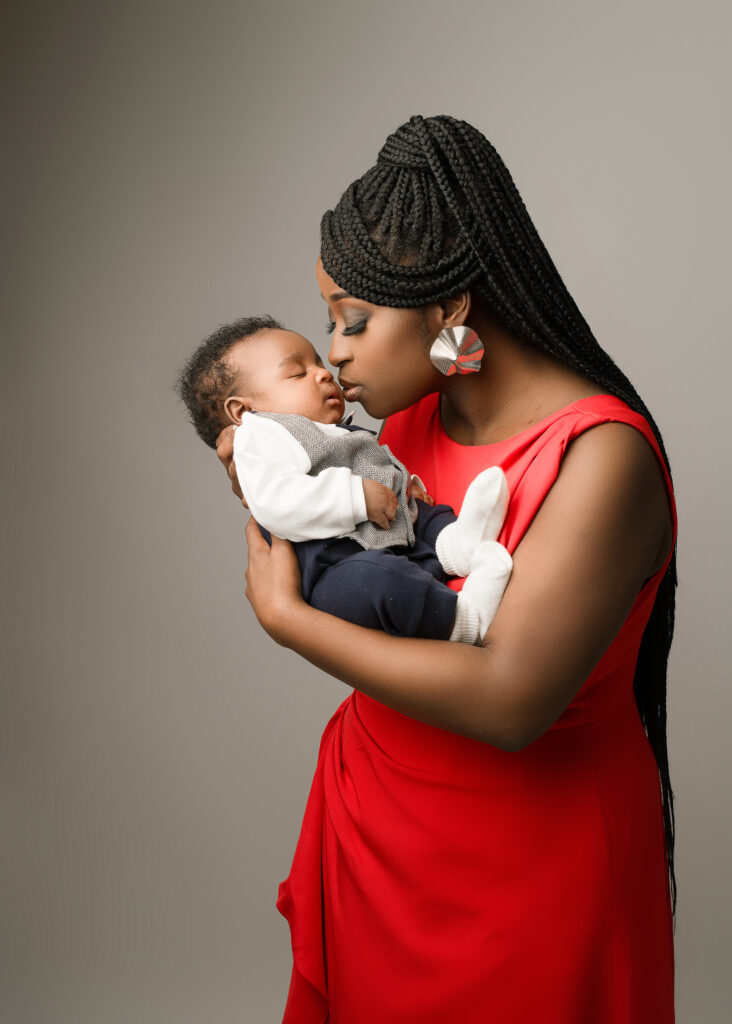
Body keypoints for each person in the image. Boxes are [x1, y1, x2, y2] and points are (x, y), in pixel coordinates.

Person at [215, 115, 678, 1023]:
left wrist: (290, 621)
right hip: (376, 839)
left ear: (450, 307)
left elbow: (510, 700)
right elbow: (371, 579)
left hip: (531, 882)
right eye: (328, 325)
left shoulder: (600, 459)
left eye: (353, 321)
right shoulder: (406, 429)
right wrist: (269, 462)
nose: (335, 352)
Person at [175, 317, 513, 644]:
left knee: (427, 514)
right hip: (336, 564)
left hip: (383, 533)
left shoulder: (333, 431)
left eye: (317, 363)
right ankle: (465, 621)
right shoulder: (259, 436)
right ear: (242, 412)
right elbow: (280, 500)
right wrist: (357, 496)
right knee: (380, 580)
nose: (324, 372)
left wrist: (401, 483)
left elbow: (367, 463)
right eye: (297, 373)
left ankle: (456, 543)